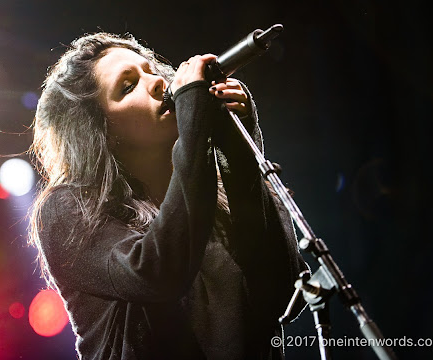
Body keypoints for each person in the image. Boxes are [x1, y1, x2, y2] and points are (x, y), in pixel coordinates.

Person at [28, 32, 307, 359]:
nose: (159, 82)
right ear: (102, 131)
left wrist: (238, 152)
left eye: (151, 70)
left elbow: (286, 292)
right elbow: (157, 274)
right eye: (128, 86)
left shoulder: (214, 189)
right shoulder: (68, 210)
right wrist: (195, 127)